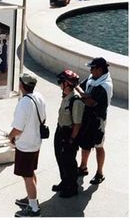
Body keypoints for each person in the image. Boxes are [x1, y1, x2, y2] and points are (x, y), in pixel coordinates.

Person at [9, 72, 46, 217]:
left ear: (21, 85)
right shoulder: (39, 97)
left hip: (25, 145)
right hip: (35, 142)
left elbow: (18, 128)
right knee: (30, 172)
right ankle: (31, 199)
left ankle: (34, 208)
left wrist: (10, 136)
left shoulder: (24, 103)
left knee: (27, 176)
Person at [76, 57, 113, 185]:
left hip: (98, 121)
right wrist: (85, 94)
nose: (90, 70)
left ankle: (99, 173)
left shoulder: (104, 86)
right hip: (87, 118)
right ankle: (83, 167)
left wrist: (84, 95)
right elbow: (80, 87)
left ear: (100, 70)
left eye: (92, 68)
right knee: (85, 144)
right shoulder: (93, 79)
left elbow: (91, 103)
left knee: (98, 146)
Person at [53, 70, 84, 198]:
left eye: (61, 82)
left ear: (67, 84)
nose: (59, 84)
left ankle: (72, 187)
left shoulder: (75, 101)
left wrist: (71, 139)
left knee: (69, 162)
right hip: (60, 132)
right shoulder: (65, 97)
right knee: (60, 159)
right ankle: (64, 182)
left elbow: (77, 124)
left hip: (69, 135)